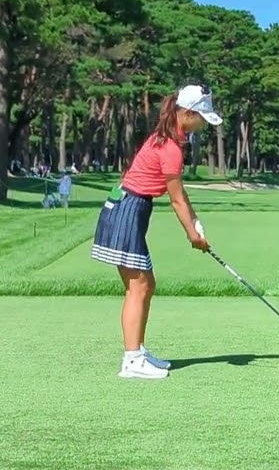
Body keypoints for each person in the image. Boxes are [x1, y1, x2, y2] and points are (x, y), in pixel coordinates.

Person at [91, 84, 221, 380]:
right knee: (138, 286)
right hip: (126, 211)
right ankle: (132, 360)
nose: (203, 124)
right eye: (201, 117)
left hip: (129, 209)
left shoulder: (168, 140)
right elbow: (175, 200)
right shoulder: (170, 148)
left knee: (144, 284)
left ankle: (136, 351)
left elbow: (181, 195)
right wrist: (193, 236)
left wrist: (196, 223)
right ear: (186, 114)